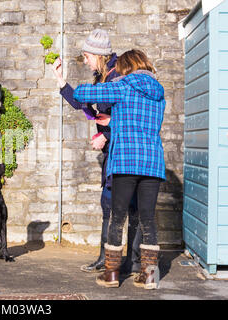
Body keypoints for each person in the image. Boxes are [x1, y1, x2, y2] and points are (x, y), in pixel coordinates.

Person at [72, 49, 166, 289]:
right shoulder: (159, 93)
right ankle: (150, 276)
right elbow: (139, 120)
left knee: (117, 217)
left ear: (126, 68)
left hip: (125, 161)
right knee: (147, 219)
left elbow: (82, 93)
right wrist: (114, 120)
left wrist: (113, 85)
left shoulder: (122, 86)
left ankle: (112, 275)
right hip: (152, 163)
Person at [52, 29, 141, 275]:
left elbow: (130, 114)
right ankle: (105, 258)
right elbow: (85, 105)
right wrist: (60, 80)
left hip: (125, 151)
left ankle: (132, 262)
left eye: (87, 56)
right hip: (113, 151)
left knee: (128, 206)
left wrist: (107, 134)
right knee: (108, 204)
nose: (85, 60)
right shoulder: (101, 77)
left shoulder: (117, 76)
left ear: (99, 55)